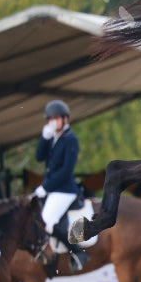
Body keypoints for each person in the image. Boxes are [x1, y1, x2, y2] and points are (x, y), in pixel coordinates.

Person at [33, 100, 90, 272]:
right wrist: (44, 138)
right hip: (53, 189)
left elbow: (66, 170)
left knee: (48, 221)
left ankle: (79, 253)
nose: (51, 122)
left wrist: (46, 186)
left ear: (65, 119)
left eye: (55, 119)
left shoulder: (70, 140)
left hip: (65, 190)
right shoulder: (52, 138)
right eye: (49, 119)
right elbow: (38, 157)